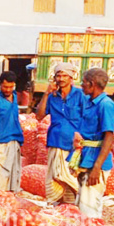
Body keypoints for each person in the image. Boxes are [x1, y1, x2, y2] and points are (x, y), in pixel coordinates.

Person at [36, 62, 85, 206]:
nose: (61, 79)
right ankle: (56, 206)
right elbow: (39, 116)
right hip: (56, 141)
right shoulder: (52, 97)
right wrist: (46, 93)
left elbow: (87, 117)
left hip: (74, 145)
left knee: (70, 176)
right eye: (59, 75)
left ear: (71, 78)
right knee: (55, 176)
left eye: (65, 76)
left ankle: (75, 205)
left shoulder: (80, 95)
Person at [73, 68, 114, 218]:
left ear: (92, 84)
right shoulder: (89, 102)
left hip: (96, 161)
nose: (81, 85)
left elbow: (109, 137)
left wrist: (97, 167)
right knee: (82, 202)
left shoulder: (105, 105)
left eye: (84, 82)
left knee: (89, 205)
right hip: (86, 158)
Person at [0, 71, 24, 192]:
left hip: (14, 140)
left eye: (11, 86)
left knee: (12, 177)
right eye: (5, 87)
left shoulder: (14, 96)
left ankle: (9, 202)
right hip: (0, 142)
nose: (8, 89)